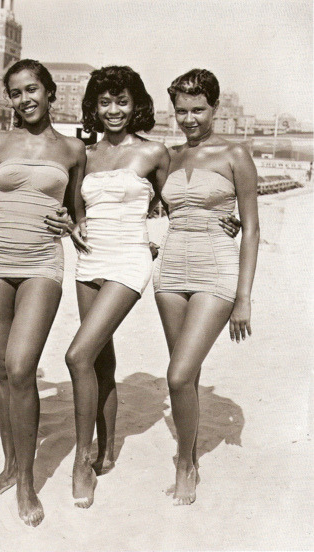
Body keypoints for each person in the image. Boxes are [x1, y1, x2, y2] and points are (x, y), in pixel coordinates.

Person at [0, 59, 85, 527]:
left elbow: (79, 213)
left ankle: (28, 482)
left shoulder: (74, 149)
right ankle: (11, 463)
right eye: (15, 93)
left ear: (50, 92)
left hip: (41, 263)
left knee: (21, 367)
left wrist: (71, 221)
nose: (24, 99)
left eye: (32, 89)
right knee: (2, 370)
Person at [152, 68, 259, 505]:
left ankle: (183, 463)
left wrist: (244, 298)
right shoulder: (170, 156)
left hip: (216, 269)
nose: (189, 119)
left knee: (176, 376)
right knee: (187, 374)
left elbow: (250, 229)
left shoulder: (236, 153)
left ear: (215, 108)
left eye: (198, 110)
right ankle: (190, 454)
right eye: (181, 110)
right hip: (171, 271)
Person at [64, 66, 169, 508]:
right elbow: (74, 208)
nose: (113, 110)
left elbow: (179, 202)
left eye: (122, 101)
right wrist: (72, 226)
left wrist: (157, 242)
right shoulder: (83, 154)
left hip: (129, 259)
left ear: (136, 104)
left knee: (78, 354)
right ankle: (106, 448)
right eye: (104, 102)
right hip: (89, 259)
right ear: (93, 107)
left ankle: (81, 462)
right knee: (100, 361)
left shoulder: (156, 153)